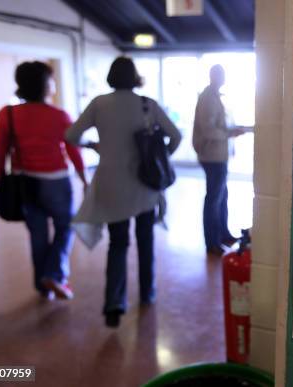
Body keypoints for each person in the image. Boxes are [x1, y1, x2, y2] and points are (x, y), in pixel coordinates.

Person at [65, 57, 181, 327]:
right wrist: (160, 157)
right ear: (135, 77)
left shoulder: (99, 104)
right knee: (145, 241)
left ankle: (114, 303)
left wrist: (94, 145)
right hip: (144, 184)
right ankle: (147, 294)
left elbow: (71, 135)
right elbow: (175, 135)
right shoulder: (147, 104)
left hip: (111, 185)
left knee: (118, 244)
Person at [0, 61, 87, 300]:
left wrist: (1, 177)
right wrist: (84, 177)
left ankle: (43, 286)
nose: (53, 84)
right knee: (65, 226)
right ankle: (54, 275)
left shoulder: (9, 114)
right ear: (45, 84)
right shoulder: (59, 115)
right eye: (51, 80)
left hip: (26, 182)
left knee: (37, 234)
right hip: (56, 181)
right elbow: (73, 149)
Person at [193, 64, 246, 256]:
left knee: (222, 196)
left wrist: (232, 130)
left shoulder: (216, 96)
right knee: (214, 199)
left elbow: (219, 124)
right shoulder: (208, 98)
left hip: (218, 155)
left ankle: (223, 234)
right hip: (212, 156)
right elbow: (209, 130)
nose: (222, 78)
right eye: (220, 74)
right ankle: (212, 242)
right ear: (213, 76)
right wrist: (230, 134)